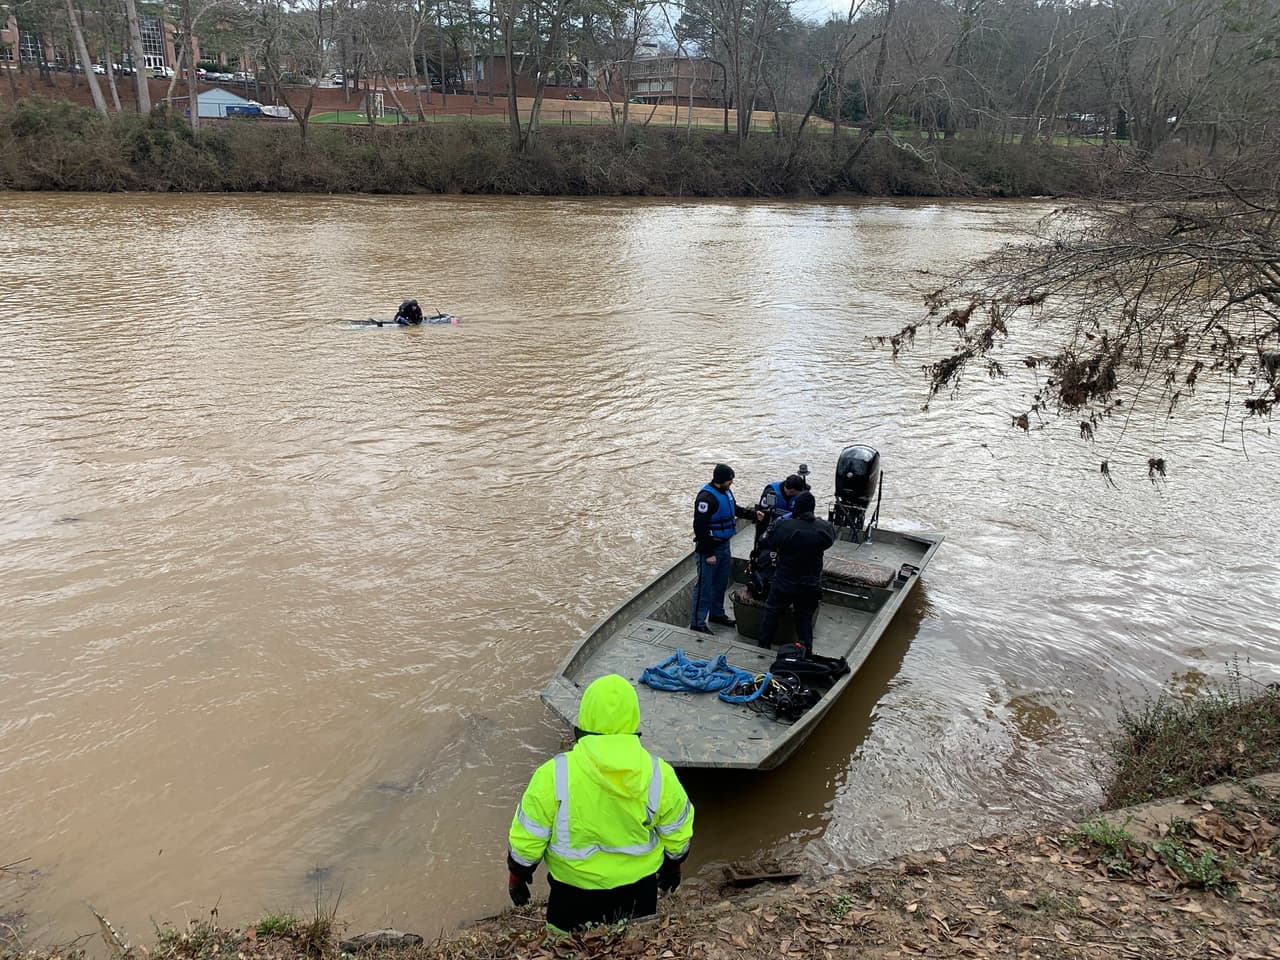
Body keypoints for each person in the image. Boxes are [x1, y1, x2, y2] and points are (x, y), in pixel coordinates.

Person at [506, 674, 694, 934]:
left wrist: (517, 875)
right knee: (632, 944)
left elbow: (528, 839)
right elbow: (677, 831)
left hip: (572, 894)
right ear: (634, 718)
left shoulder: (553, 774)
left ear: (584, 717)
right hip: (638, 891)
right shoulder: (659, 773)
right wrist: (674, 864)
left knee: (568, 948)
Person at [758, 491, 837, 655]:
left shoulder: (784, 527)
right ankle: (806, 650)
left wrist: (775, 525)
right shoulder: (825, 529)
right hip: (810, 583)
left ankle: (763, 646)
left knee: (772, 612)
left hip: (784, 580)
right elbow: (830, 537)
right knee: (804, 617)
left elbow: (765, 541)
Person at [690, 463, 757, 635]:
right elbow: (700, 527)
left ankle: (717, 614)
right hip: (710, 549)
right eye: (730, 480)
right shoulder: (706, 498)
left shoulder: (726, 492)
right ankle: (697, 622)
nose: (731, 483)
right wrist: (709, 553)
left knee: (720, 583)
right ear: (722, 480)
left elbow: (734, 509)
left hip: (724, 544)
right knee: (704, 587)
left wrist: (753, 515)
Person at [754, 473, 810, 544]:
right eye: (797, 494)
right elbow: (762, 513)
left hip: (791, 526)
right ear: (791, 491)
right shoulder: (770, 491)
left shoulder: (802, 491)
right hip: (770, 523)